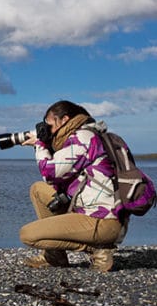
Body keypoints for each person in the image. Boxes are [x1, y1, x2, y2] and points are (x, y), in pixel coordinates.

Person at [19, 100, 126, 272]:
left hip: (102, 220)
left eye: (49, 125)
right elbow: (53, 181)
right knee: (38, 190)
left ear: (64, 120)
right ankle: (55, 256)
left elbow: (49, 171)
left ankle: (98, 249)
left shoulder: (83, 138)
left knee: (28, 235)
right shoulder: (90, 135)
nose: (48, 131)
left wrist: (40, 144)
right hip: (97, 212)